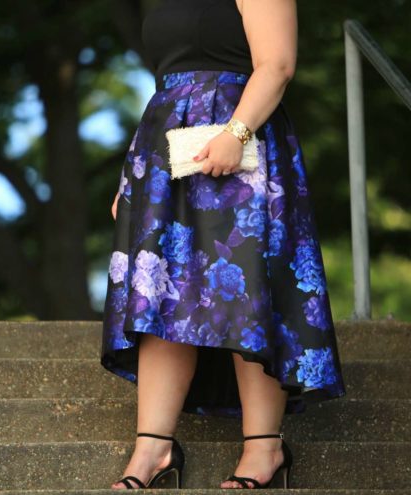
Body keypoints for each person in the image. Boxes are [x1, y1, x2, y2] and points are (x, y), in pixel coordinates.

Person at [101, 0, 347, 489]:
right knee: (162, 294)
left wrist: (237, 132)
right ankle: (153, 448)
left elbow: (276, 64)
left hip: (244, 143)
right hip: (170, 149)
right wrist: (135, 173)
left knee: (249, 292)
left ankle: (265, 449)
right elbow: (167, 83)